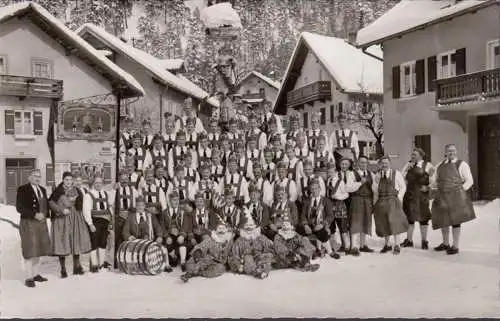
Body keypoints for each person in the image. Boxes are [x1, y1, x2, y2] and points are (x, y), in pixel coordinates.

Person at [430, 144, 476, 255]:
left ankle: (455, 246)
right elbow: (434, 181)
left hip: (456, 197)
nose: (452, 153)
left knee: (456, 221)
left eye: (453, 151)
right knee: (443, 220)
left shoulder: (462, 164)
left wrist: (460, 190)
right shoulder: (439, 165)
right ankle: (445, 244)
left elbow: (469, 180)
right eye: (449, 151)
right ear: (445, 152)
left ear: (456, 151)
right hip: (442, 197)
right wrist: (432, 182)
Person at [49, 171, 91, 278]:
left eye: (70, 180)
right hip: (62, 219)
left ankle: (77, 266)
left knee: (75, 240)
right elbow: (51, 203)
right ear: (63, 180)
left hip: (75, 217)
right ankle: (63, 268)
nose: (69, 182)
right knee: (63, 241)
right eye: (66, 180)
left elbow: (82, 204)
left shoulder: (76, 190)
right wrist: (61, 210)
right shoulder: (58, 190)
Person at [16, 169, 52, 287]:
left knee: (39, 248)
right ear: (29, 177)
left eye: (39, 176)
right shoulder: (23, 189)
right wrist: (34, 214)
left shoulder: (42, 189)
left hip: (41, 223)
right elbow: (19, 207)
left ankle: (36, 274)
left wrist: (46, 215)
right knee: (30, 249)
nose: (37, 178)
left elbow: (45, 205)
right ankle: (28, 277)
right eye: (35, 176)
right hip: (28, 222)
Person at [372, 156, 408, 255]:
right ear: (380, 164)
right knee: (383, 223)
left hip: (393, 200)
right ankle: (387, 244)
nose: (384, 165)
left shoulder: (396, 173)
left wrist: (399, 198)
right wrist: (376, 181)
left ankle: (397, 245)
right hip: (381, 201)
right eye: (382, 163)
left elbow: (403, 187)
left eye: (386, 162)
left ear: (390, 163)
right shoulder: (378, 175)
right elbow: (375, 190)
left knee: (394, 222)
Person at [298, 177, 340, 259]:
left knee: (322, 232)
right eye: (312, 189)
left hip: (321, 224)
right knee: (299, 229)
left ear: (320, 189)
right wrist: (305, 225)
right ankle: (312, 250)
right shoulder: (307, 201)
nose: (314, 191)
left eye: (316, 188)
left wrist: (322, 224)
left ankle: (329, 251)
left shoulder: (326, 201)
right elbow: (303, 215)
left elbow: (330, 215)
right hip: (310, 225)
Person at [401, 148, 434, 250]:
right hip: (410, 195)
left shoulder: (427, 165)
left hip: (421, 196)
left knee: (423, 218)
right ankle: (409, 240)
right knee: (409, 218)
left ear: (421, 155)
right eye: (412, 155)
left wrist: (428, 187)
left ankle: (424, 241)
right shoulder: (409, 164)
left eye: (414, 155)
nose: (412, 156)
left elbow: (434, 179)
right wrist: (407, 167)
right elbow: (401, 177)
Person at [228, 212, 275, 279]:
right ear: (243, 226)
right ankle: (257, 272)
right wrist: (238, 266)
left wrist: (265, 255)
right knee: (248, 258)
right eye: (246, 225)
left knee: (266, 257)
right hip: (246, 261)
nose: (249, 227)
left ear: (255, 226)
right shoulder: (239, 240)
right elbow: (234, 254)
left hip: (260, 258)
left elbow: (270, 248)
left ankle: (263, 270)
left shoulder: (261, 237)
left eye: (251, 225)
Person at [83, 175, 113, 272]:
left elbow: (110, 208)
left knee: (103, 242)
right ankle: (94, 265)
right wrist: (90, 224)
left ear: (103, 184)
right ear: (93, 184)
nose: (99, 185)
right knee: (94, 243)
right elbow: (86, 211)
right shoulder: (88, 195)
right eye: (96, 183)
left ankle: (101, 264)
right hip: (95, 221)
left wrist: (111, 221)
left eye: (100, 183)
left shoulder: (106, 193)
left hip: (105, 221)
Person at [349, 156, 375, 253]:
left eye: (365, 163)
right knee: (356, 223)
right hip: (357, 199)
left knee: (365, 222)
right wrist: (360, 183)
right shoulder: (351, 174)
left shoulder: (370, 174)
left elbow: (374, 188)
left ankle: (362, 245)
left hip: (367, 200)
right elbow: (349, 188)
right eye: (362, 162)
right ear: (358, 163)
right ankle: (354, 246)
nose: (364, 164)